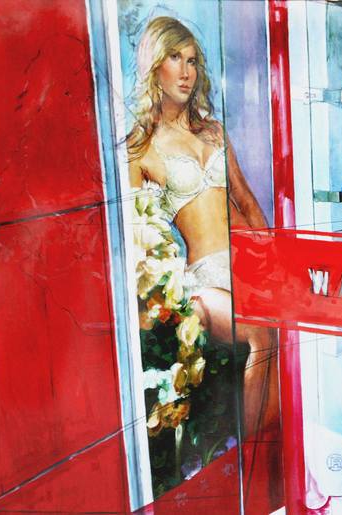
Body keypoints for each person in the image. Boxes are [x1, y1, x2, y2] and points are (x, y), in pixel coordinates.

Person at [126, 16, 278, 436]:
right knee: (262, 336)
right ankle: (254, 450)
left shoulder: (213, 131)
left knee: (287, 332)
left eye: (192, 60)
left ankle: (275, 448)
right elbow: (139, 237)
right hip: (205, 278)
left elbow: (247, 202)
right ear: (155, 65)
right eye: (175, 58)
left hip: (249, 261)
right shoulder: (140, 150)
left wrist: (272, 261)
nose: (186, 72)